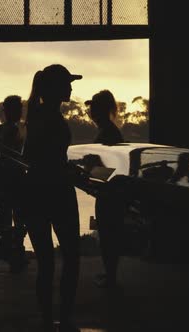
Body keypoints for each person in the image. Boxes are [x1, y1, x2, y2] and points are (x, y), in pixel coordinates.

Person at [22, 64, 82, 332]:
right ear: (56, 89)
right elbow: (54, 163)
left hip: (34, 195)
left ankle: (47, 319)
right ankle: (66, 317)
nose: (71, 87)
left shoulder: (35, 118)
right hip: (58, 194)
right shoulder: (55, 121)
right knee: (71, 258)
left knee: (45, 262)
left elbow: (33, 160)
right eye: (67, 83)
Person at [85, 90, 126, 289]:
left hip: (110, 193)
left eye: (93, 107)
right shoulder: (107, 131)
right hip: (107, 191)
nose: (91, 112)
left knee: (109, 234)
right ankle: (110, 273)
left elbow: (111, 166)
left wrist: (90, 172)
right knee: (108, 233)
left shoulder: (108, 133)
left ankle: (111, 276)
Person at [0, 95, 28, 273]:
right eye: (17, 109)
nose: (20, 112)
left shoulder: (3, 129)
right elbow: (12, 156)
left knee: (7, 217)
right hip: (13, 178)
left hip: (2, 177)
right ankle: (15, 252)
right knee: (18, 218)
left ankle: (10, 251)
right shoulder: (13, 130)